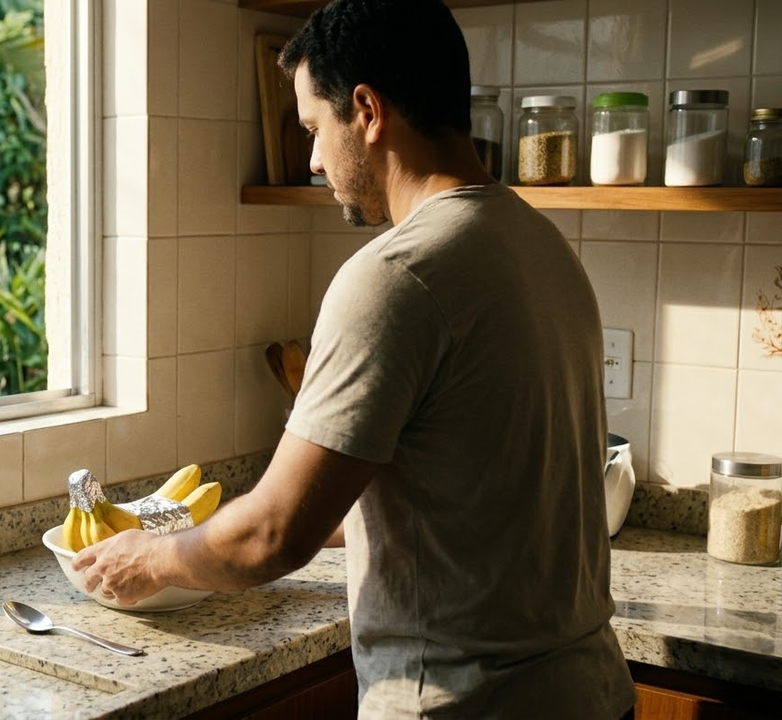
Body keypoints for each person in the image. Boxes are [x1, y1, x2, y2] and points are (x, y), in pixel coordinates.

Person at [73, 0, 634, 716]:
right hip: (592, 692)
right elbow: (462, 494)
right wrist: (205, 534)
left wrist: (152, 557)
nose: (312, 160)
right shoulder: (541, 245)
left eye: (314, 128)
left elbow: (273, 536)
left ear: (366, 111)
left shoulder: (396, 275)